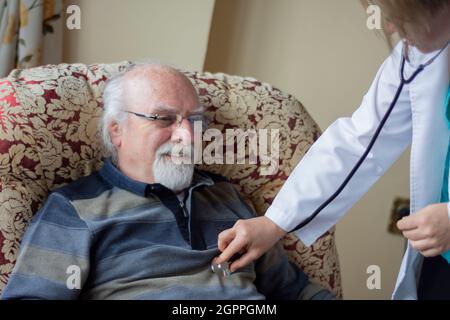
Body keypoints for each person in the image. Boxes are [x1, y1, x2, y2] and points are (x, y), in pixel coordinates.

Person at [1, 64, 333, 300]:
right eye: (164, 119)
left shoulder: (226, 195)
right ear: (117, 130)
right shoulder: (75, 209)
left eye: (196, 120)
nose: (187, 136)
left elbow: (295, 291)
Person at [214, 0, 450, 300]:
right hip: (440, 255)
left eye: (398, 15)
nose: (388, 25)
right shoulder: (419, 55)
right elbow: (361, 141)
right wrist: (274, 222)